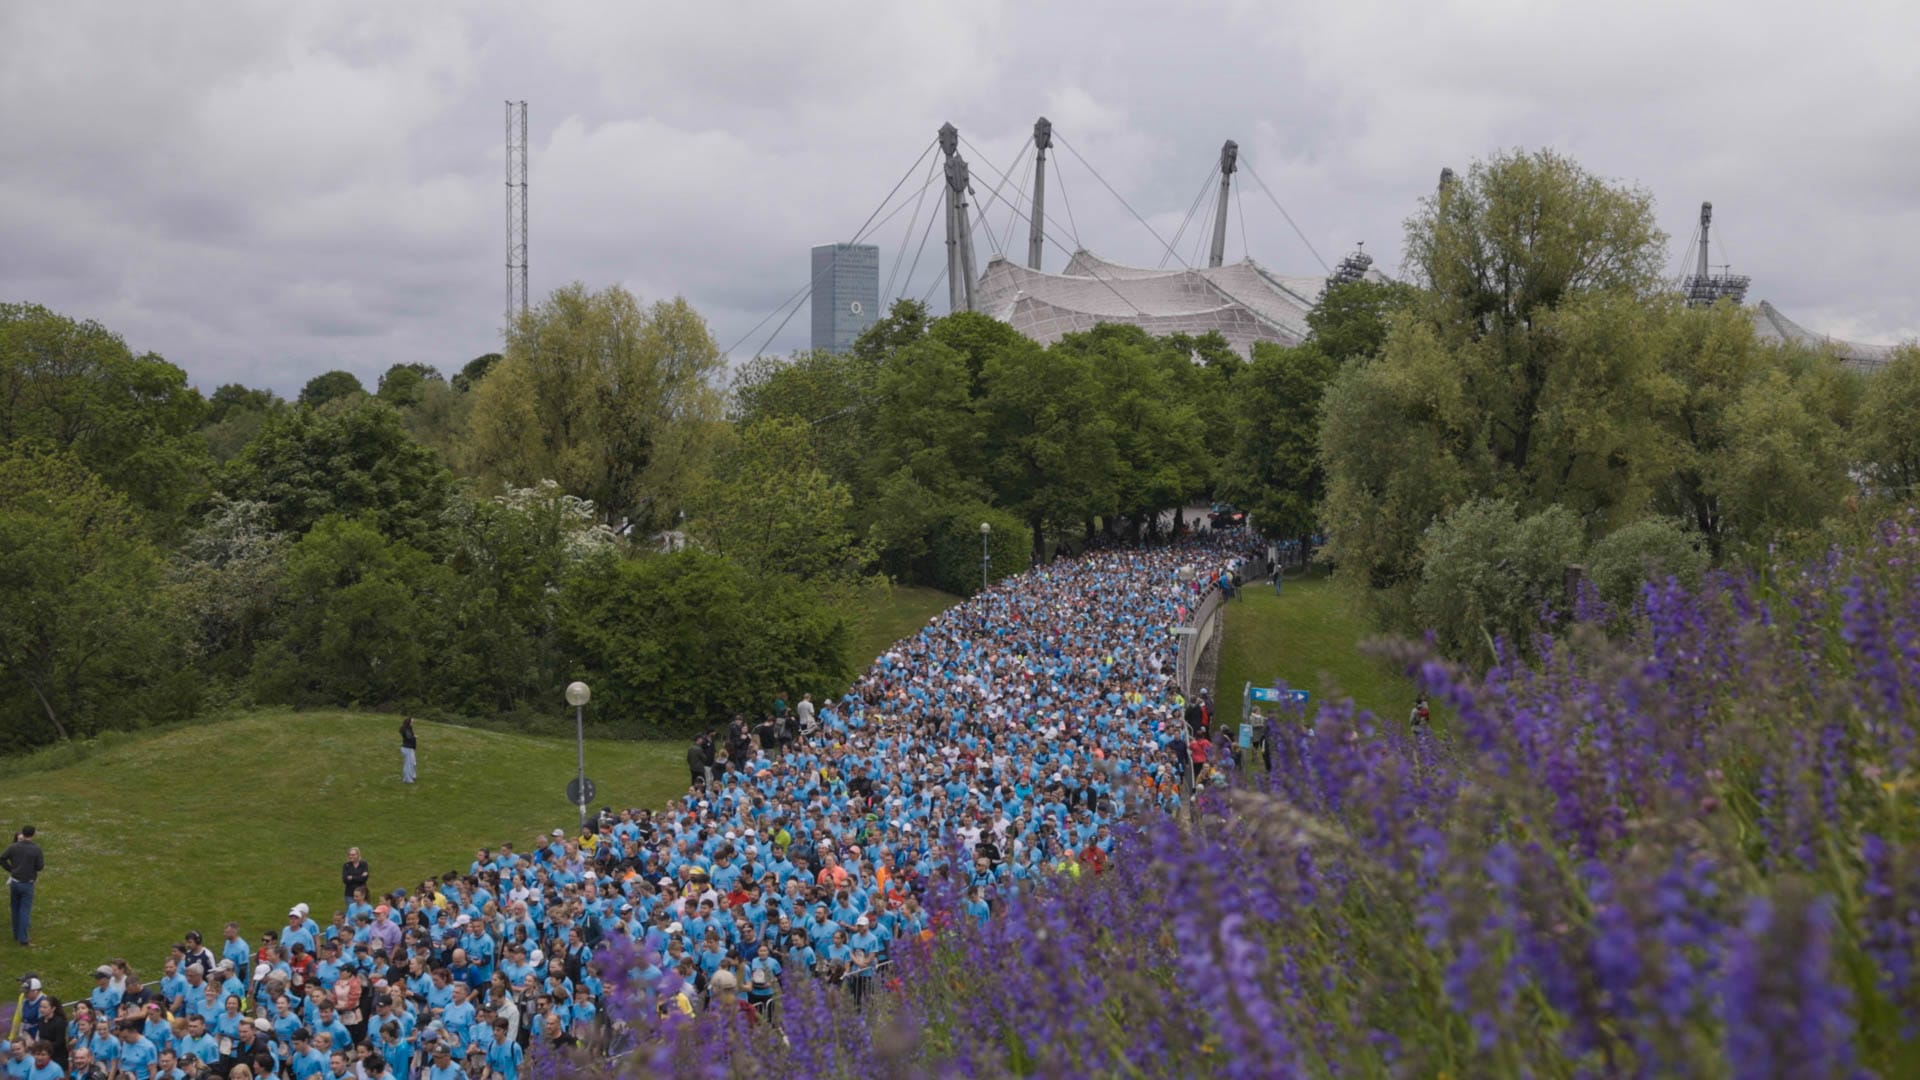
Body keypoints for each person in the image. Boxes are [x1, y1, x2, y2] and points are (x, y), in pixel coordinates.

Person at [2, 826, 44, 947]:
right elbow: (40, 866)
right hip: (27, 884)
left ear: (23, 833)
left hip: (14, 882)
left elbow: (2, 858)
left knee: (15, 909)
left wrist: (11, 869)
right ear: (33, 834)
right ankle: (23, 939)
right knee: (24, 911)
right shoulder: (36, 849)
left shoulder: (13, 846)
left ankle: (16, 935)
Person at [399, 719, 417, 784]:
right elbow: (409, 737)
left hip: (408, 748)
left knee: (412, 763)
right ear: (408, 722)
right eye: (412, 722)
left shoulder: (408, 729)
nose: (413, 723)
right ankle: (408, 779)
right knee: (408, 765)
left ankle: (409, 777)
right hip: (407, 749)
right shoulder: (406, 730)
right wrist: (414, 737)